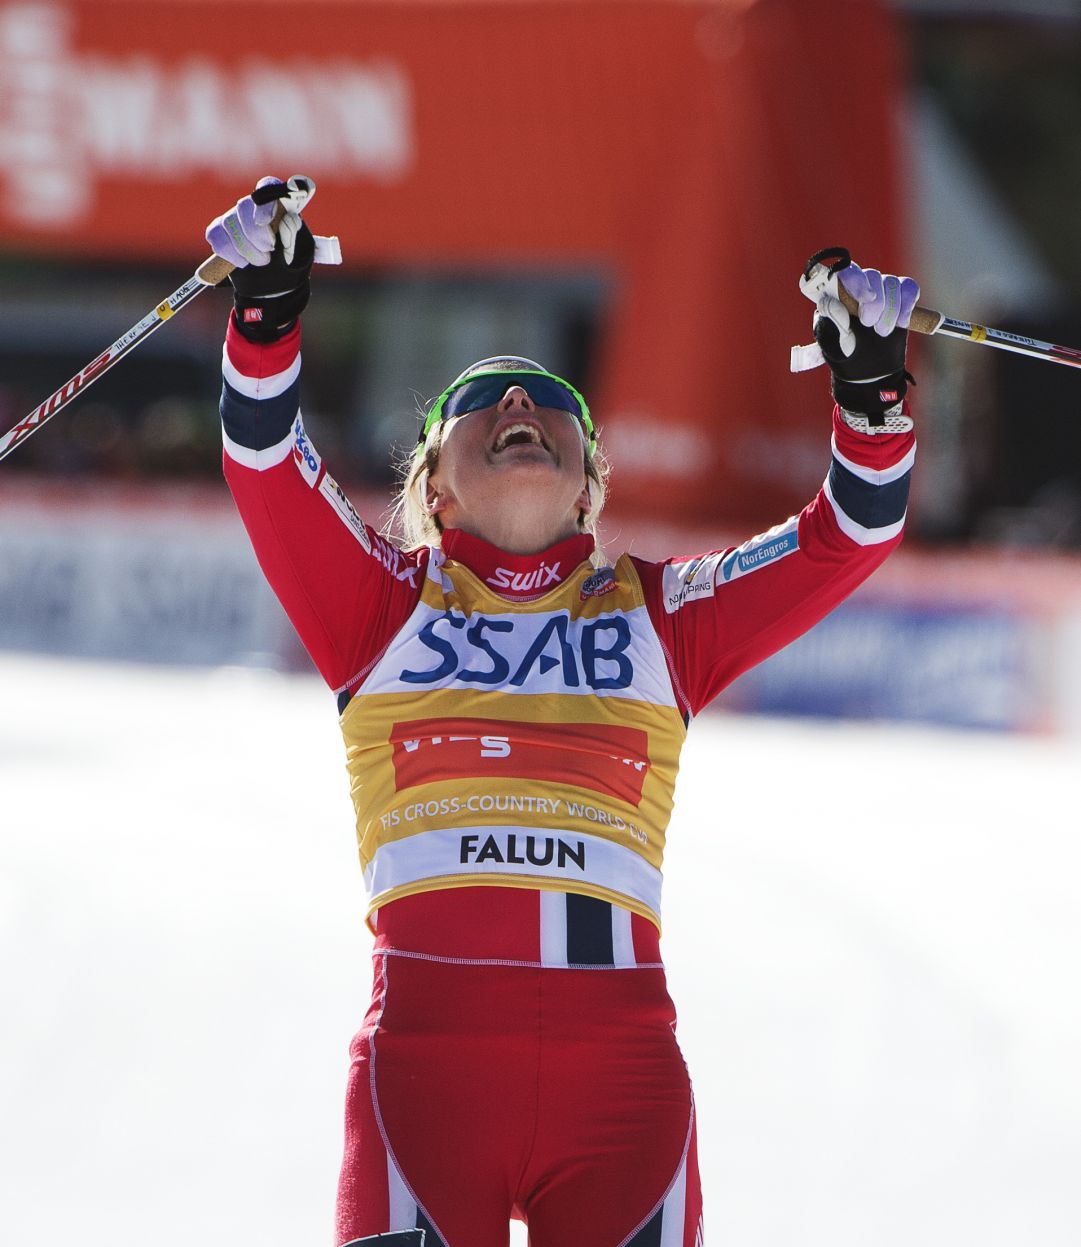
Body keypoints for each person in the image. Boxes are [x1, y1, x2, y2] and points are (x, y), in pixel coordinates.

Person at [206, 177, 919, 1247]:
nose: (519, 407)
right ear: (434, 490)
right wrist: (265, 318)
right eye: (482, 402)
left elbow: (847, 531)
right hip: (424, 1080)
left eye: (548, 403)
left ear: (589, 486)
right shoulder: (379, 606)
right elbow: (267, 462)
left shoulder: (663, 615)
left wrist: (869, 393)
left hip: (620, 1091)